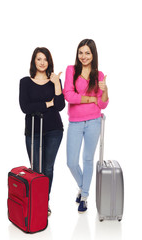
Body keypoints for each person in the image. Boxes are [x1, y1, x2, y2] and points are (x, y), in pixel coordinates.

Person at [63, 39, 109, 213]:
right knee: (71, 162)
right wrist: (91, 99)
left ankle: (84, 196)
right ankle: (83, 187)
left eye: (87, 53)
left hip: (94, 121)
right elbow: (69, 95)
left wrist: (105, 90)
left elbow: (103, 104)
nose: (83, 56)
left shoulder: (99, 75)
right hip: (75, 122)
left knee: (88, 159)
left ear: (93, 54)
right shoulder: (71, 70)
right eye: (80, 52)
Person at [19, 47, 65, 216]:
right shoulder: (25, 82)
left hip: (54, 130)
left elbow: (60, 106)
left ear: (49, 62)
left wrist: (56, 84)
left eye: (45, 59)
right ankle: (35, 200)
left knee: (48, 169)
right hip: (33, 131)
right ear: (34, 61)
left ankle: (44, 202)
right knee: (36, 169)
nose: (42, 62)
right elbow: (25, 108)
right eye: (39, 59)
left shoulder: (55, 80)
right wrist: (47, 104)